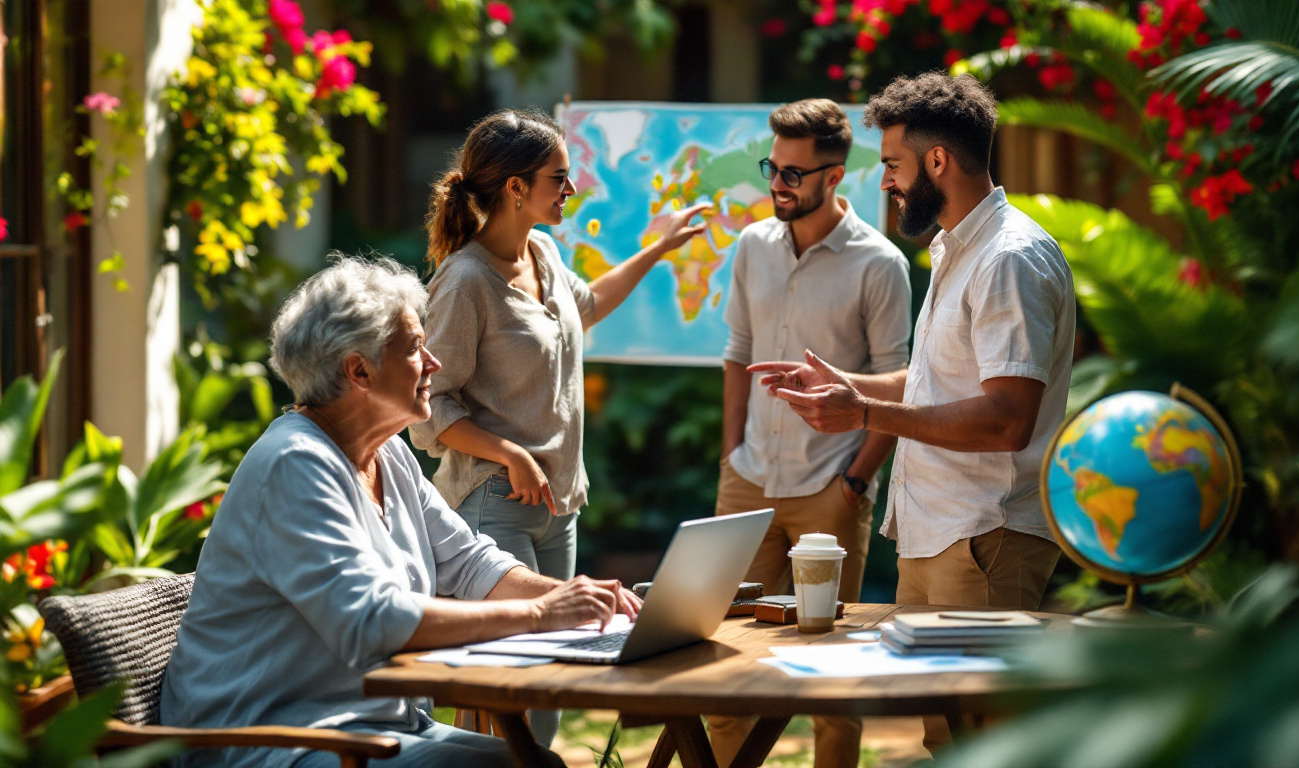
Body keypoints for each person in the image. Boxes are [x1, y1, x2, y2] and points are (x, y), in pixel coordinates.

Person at [161, 257, 641, 768]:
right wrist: (542, 615)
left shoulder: (386, 453)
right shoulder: (295, 464)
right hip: (272, 741)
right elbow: (373, 621)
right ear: (358, 370)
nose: (433, 362)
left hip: (370, 726)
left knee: (539, 764)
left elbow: (471, 562)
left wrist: (583, 600)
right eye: (414, 347)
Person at [750, 72, 1075, 755]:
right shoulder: (958, 247)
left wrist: (862, 412)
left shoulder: (1008, 258)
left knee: (987, 746)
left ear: (937, 162)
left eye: (893, 165)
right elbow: (938, 381)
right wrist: (848, 383)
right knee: (946, 741)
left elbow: (1006, 418)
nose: (886, 182)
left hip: (986, 537)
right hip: (939, 536)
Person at [407, 108, 708, 746]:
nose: (570, 191)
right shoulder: (463, 282)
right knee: (504, 688)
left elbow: (588, 303)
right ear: (515, 186)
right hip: (494, 503)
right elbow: (429, 407)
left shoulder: (542, 252)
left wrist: (657, 247)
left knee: (550, 685)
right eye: (558, 178)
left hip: (559, 504)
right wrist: (508, 451)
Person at [707, 98, 911, 768]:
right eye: (774, 167)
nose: (778, 184)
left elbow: (898, 380)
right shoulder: (751, 246)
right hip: (748, 479)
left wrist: (854, 482)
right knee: (723, 657)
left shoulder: (880, 265)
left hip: (831, 487)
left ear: (836, 175)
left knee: (832, 675)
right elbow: (738, 351)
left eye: (795, 173)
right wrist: (730, 454)